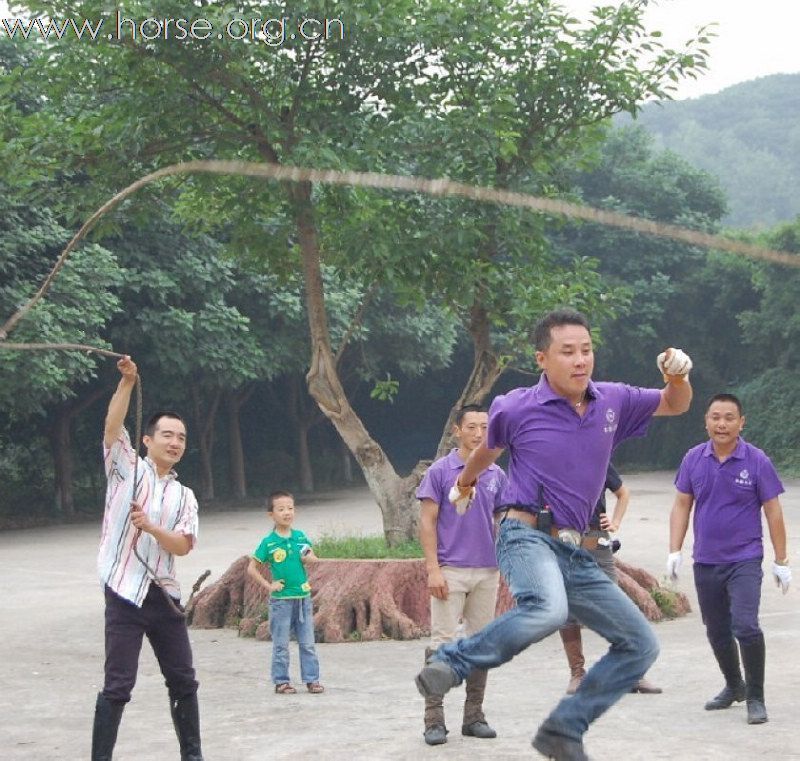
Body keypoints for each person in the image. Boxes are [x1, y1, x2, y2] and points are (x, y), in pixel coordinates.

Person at [414, 308, 693, 761]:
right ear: (542, 358)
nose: (580, 360)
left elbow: (674, 403)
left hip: (578, 550)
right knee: (548, 609)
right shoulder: (516, 405)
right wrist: (464, 483)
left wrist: (677, 377)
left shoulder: (614, 400)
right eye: (568, 352)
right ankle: (454, 661)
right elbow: (490, 449)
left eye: (586, 350)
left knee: (641, 644)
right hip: (525, 534)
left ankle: (564, 730)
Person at [92, 356, 203, 761]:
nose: (175, 443)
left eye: (182, 438)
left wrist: (153, 527)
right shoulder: (125, 469)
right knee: (118, 684)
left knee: (184, 681)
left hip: (165, 597)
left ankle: (193, 754)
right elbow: (110, 427)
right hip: (123, 592)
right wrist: (127, 384)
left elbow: (184, 545)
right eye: (168, 435)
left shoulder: (184, 495)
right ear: (147, 440)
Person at [667, 393, 791, 725]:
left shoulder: (756, 461)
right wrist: (674, 550)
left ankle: (755, 696)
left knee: (746, 626)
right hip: (706, 559)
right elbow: (682, 505)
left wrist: (782, 560)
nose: (722, 424)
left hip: (745, 559)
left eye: (729, 418)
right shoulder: (694, 459)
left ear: (741, 422)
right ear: (706, 421)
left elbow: (773, 512)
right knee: (717, 629)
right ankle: (733, 685)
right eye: (715, 417)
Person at [417, 404, 508, 746]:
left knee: (481, 644)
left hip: (487, 570)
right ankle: (434, 720)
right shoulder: (440, 472)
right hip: (450, 570)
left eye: (484, 426)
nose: (478, 433)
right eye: (471, 426)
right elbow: (427, 521)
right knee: (441, 644)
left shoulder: (497, 474)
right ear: (457, 430)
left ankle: (474, 716)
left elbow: (504, 521)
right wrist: (432, 569)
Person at [559, 463, 662, 695]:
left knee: (617, 606)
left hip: (597, 537)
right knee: (568, 607)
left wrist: (614, 522)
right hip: (565, 537)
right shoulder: (554, 457)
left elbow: (623, 493)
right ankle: (577, 673)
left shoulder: (599, 457)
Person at [247, 490, 323, 695]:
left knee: (307, 643)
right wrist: (269, 585)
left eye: (290, 508)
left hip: (303, 599)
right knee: (281, 645)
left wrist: (311, 558)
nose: (287, 512)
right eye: (281, 509)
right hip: (281, 602)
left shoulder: (300, 537)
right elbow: (252, 568)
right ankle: (281, 681)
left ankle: (312, 680)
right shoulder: (269, 543)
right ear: (271, 514)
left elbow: (308, 554)